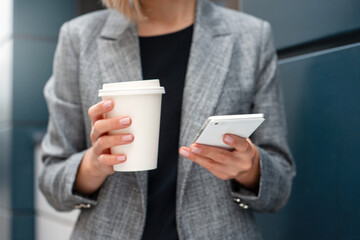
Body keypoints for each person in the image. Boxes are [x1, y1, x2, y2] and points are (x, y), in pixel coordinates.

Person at [39, 0, 295, 239]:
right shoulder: (79, 37)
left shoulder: (251, 36)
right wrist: (93, 165)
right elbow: (51, 181)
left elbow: (279, 188)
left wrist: (249, 167)